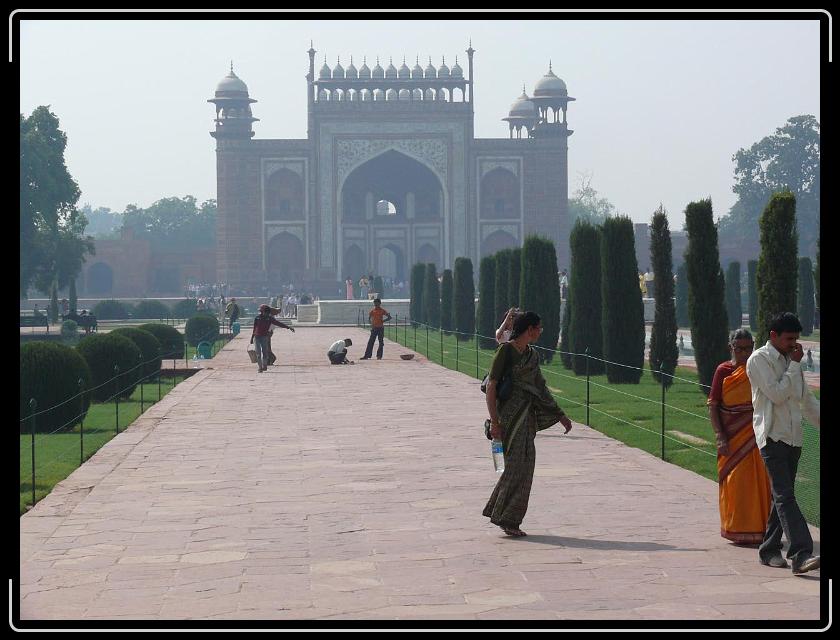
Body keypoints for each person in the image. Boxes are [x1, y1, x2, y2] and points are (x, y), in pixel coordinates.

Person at [483, 311, 574, 537]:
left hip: (526, 419)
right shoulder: (506, 351)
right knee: (510, 468)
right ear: (530, 329)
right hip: (507, 419)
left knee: (526, 467)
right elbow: (492, 386)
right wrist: (495, 422)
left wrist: (560, 414)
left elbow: (540, 387)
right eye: (539, 328)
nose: (540, 332)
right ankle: (502, 515)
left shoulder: (532, 355)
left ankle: (510, 518)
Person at [745, 312, 820, 574]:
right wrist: (795, 365)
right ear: (773, 336)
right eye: (789, 339)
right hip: (772, 436)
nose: (793, 344)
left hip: (794, 437)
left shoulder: (792, 361)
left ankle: (769, 549)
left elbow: (805, 399)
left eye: (796, 339)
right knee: (785, 495)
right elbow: (776, 395)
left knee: (782, 495)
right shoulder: (759, 360)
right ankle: (801, 554)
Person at [708, 329, 771, 544]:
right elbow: (713, 405)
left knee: (759, 481)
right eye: (739, 348)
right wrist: (720, 435)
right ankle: (736, 528)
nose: (744, 353)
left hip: (756, 433)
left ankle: (760, 529)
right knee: (735, 482)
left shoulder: (758, 370)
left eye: (748, 348)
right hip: (732, 436)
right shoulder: (723, 371)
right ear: (731, 348)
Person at [250, 304, 295, 372]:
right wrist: (252, 338)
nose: (265, 313)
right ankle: (260, 367)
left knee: (265, 352)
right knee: (258, 353)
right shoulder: (257, 318)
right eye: (263, 312)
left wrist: (288, 327)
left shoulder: (270, 319)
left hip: (264, 337)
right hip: (257, 337)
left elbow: (279, 323)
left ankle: (264, 366)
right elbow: (254, 328)